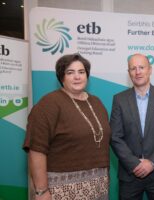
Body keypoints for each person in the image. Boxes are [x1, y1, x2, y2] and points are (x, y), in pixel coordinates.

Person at [23, 53, 111, 200]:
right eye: (70, 72)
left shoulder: (97, 103)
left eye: (81, 72)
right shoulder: (48, 104)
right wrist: (41, 191)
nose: (77, 77)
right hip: (61, 190)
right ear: (61, 76)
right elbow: (36, 149)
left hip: (98, 187)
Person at [110, 53, 154, 200]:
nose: (138, 72)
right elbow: (115, 137)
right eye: (133, 68)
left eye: (141, 67)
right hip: (130, 174)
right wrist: (134, 164)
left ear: (150, 70)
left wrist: (152, 162)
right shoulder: (119, 99)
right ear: (129, 73)